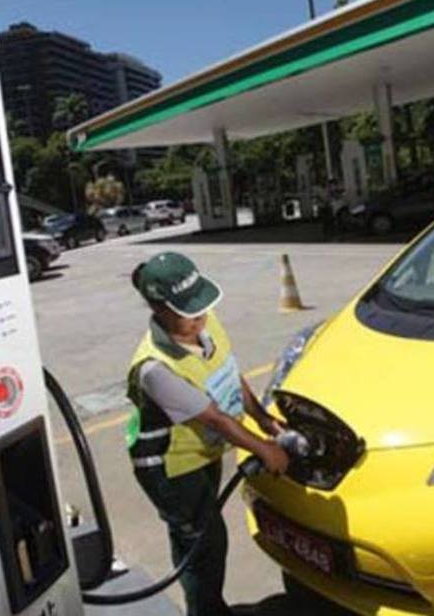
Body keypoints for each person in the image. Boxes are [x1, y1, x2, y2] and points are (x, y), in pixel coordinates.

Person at [125, 252, 289, 616]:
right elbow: (214, 418)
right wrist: (266, 449)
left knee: (197, 536)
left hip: (202, 453)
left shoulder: (204, 321)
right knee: (203, 544)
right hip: (169, 468)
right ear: (158, 308)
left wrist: (262, 417)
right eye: (188, 311)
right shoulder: (155, 367)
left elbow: (228, 374)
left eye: (201, 305)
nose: (200, 317)